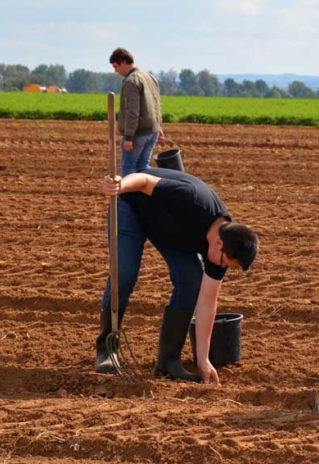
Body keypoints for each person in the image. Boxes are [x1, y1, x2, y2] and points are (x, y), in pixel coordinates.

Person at [97, 168, 259, 384]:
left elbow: (207, 302)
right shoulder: (191, 199)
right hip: (131, 206)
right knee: (124, 273)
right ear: (218, 243)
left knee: (191, 280)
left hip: (169, 231)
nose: (222, 267)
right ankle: (107, 349)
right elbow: (144, 180)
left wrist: (203, 359)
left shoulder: (222, 250)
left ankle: (168, 362)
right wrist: (120, 186)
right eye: (224, 263)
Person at [109, 48, 165, 175]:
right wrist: (159, 126)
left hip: (137, 133)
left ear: (123, 62)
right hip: (152, 131)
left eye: (115, 66)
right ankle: (143, 195)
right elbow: (157, 103)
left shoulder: (131, 81)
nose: (115, 71)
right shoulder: (150, 77)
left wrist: (128, 137)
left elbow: (132, 111)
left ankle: (129, 196)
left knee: (128, 169)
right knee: (143, 168)